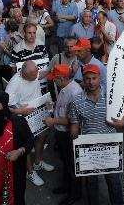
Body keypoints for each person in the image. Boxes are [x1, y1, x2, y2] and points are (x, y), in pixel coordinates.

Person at [69, 64, 124, 205]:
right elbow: (74, 125)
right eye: (88, 78)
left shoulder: (111, 95)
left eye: (94, 78)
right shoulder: (77, 101)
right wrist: (75, 145)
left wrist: (122, 122)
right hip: (88, 146)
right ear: (83, 79)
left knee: (114, 182)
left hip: (110, 144)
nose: (91, 82)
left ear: (99, 78)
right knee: (91, 183)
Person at [5, 60, 54, 186]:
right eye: (32, 76)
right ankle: (30, 172)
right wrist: (20, 110)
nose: (36, 77)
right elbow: (5, 107)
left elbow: (39, 75)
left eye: (36, 73)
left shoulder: (33, 73)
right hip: (22, 116)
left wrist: (50, 70)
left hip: (37, 111)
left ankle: (38, 162)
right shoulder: (14, 84)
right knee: (27, 143)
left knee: (43, 134)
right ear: (23, 74)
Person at [44, 64, 83, 205]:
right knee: (66, 162)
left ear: (63, 78)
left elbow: (73, 120)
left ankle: (76, 193)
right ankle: (67, 186)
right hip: (61, 132)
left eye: (55, 79)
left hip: (68, 135)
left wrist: (53, 120)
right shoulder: (65, 88)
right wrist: (54, 105)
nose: (54, 82)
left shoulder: (74, 93)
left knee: (72, 164)